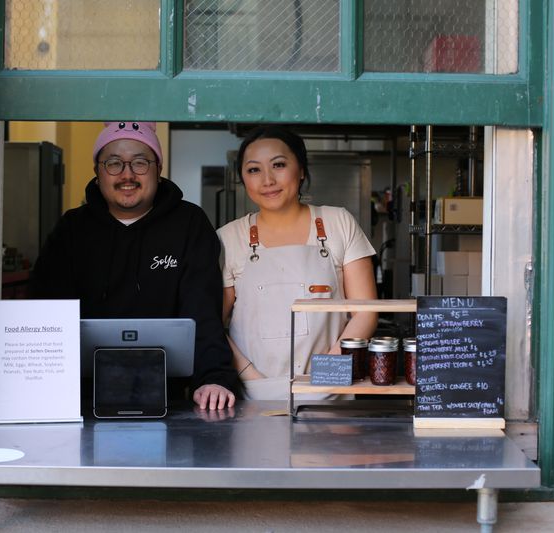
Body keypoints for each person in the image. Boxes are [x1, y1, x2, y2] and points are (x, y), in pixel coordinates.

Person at [30, 121, 238, 410]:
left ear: (158, 170)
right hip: (79, 398)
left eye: (140, 163)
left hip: (170, 397)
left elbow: (202, 310)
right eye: (113, 163)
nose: (127, 175)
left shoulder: (189, 224)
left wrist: (213, 378)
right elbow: (44, 311)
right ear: (97, 172)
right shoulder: (73, 229)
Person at [218, 125, 378, 399]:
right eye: (254, 170)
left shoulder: (338, 222)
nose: (267, 180)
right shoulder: (229, 237)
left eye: (278, 165)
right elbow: (214, 323)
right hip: (254, 393)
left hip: (330, 389)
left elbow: (365, 311)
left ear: (301, 170)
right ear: (243, 179)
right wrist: (252, 378)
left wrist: (327, 375)